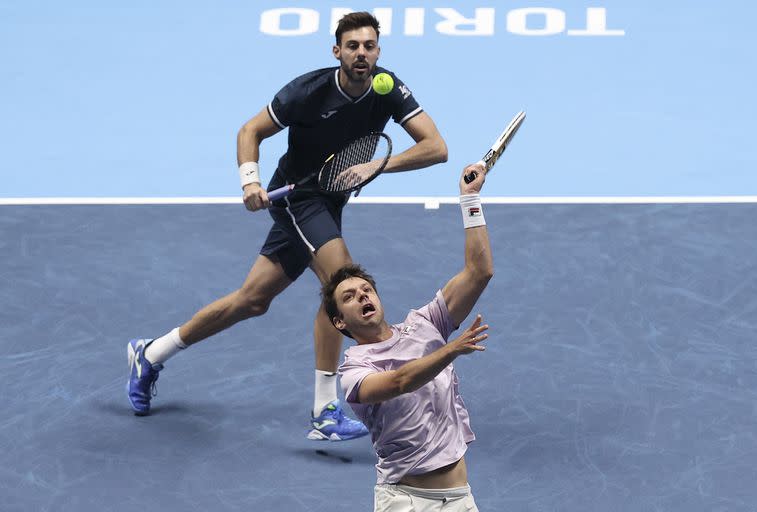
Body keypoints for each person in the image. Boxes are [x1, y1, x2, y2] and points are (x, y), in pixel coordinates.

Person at [125, 11, 448, 442]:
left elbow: (436, 147)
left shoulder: (388, 88)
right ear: (337, 52)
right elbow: (250, 130)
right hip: (298, 197)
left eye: (369, 46)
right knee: (342, 284)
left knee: (252, 300)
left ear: (378, 52)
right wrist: (250, 181)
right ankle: (324, 408)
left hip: (329, 201)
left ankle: (150, 353)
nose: (361, 54)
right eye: (352, 46)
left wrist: (378, 166)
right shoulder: (308, 91)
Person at [325, 161, 493, 510]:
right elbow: (399, 382)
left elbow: (479, 272)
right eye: (349, 297)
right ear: (340, 322)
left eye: (366, 289)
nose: (362, 296)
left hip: (461, 499)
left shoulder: (426, 324)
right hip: (406, 502)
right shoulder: (354, 374)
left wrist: (470, 200)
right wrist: (451, 350)